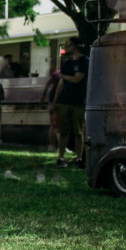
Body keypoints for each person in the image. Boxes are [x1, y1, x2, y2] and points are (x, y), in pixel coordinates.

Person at [52, 36, 90, 167]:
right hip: (65, 101)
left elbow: (77, 79)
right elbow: (61, 84)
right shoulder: (67, 63)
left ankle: (79, 158)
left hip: (79, 101)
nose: (66, 47)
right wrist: (55, 101)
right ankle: (61, 157)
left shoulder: (85, 61)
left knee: (78, 131)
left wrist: (63, 76)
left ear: (74, 46)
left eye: (68, 45)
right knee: (63, 131)